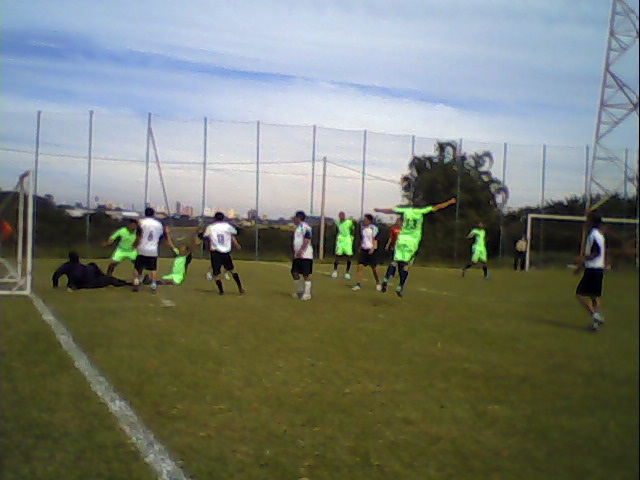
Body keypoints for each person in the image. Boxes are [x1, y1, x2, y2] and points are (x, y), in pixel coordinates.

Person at [374, 196, 456, 297]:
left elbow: (391, 210)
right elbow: (437, 207)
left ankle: (386, 279)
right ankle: (400, 286)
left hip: (402, 239)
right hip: (412, 241)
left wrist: (379, 210)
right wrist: (450, 202)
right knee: (406, 265)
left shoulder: (406, 210)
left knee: (395, 261)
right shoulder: (421, 212)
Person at [574, 214, 606, 332]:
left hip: (592, 269)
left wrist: (583, 260)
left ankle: (595, 316)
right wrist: (581, 266)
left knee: (580, 294)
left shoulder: (593, 235)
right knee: (594, 297)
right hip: (599, 269)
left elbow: (596, 253)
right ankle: (595, 325)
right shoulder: (600, 235)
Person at [201, 212, 245, 295]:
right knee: (232, 270)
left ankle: (221, 291)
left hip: (215, 252)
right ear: (223, 218)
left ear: (215, 218)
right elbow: (234, 233)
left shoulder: (211, 227)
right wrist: (236, 243)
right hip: (225, 252)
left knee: (216, 273)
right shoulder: (227, 226)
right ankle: (240, 288)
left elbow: (205, 236)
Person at [132, 207, 174, 293]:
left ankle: (136, 283)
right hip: (153, 250)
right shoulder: (159, 224)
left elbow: (139, 236)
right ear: (153, 214)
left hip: (141, 249)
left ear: (145, 213)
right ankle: (153, 286)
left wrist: (134, 245)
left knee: (138, 268)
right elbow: (162, 236)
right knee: (153, 269)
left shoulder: (141, 222)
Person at [52, 251, 131, 289]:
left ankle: (125, 283)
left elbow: (56, 275)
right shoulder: (80, 266)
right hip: (91, 283)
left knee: (107, 278)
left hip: (82, 284)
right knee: (110, 279)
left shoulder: (67, 266)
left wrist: (55, 285)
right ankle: (126, 283)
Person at [352, 214, 381, 291]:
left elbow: (375, 239)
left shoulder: (374, 228)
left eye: (365, 219)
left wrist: (373, 248)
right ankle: (358, 284)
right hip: (363, 250)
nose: (364, 221)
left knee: (374, 268)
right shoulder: (363, 228)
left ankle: (378, 282)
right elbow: (363, 239)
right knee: (360, 266)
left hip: (371, 250)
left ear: (369, 220)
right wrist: (360, 247)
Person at [291, 210, 313, 300]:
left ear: (298, 218)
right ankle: (300, 292)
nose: (294, 219)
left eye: (295, 217)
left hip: (305, 255)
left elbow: (307, 239)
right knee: (294, 272)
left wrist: (301, 250)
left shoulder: (306, 227)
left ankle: (307, 294)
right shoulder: (298, 228)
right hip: (297, 255)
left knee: (305, 274)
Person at [331, 211, 355, 280]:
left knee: (349, 256)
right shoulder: (337, 222)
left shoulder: (349, 222)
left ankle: (347, 272)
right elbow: (334, 226)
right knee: (337, 255)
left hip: (347, 240)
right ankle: (335, 271)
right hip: (340, 240)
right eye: (340, 215)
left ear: (344, 216)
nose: (341, 217)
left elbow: (353, 229)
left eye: (342, 215)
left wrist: (352, 237)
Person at [383, 216, 403, 281]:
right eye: (397, 221)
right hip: (395, 248)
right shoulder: (394, 229)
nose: (397, 222)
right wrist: (387, 245)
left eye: (398, 221)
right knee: (393, 262)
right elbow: (390, 238)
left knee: (399, 263)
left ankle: (392, 274)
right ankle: (387, 276)